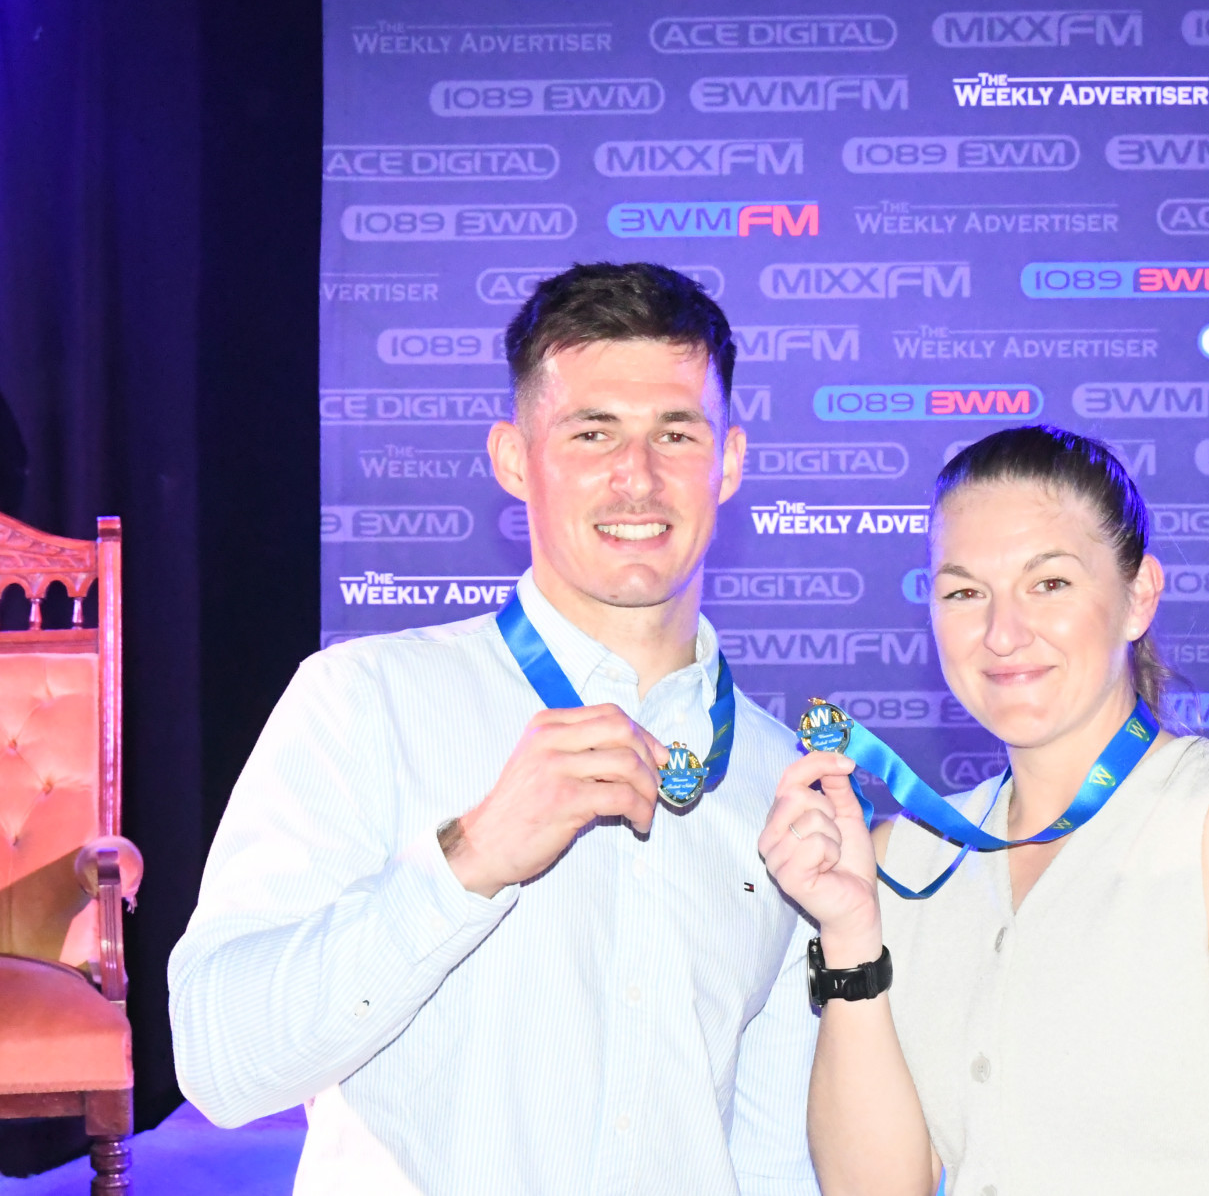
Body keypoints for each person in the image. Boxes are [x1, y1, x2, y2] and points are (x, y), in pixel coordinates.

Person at [170, 264, 819, 1196]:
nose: (636, 475)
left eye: (676, 433)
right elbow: (221, 1060)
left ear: (732, 462)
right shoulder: (364, 700)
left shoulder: (774, 776)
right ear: (514, 458)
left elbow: (768, 1155)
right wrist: (466, 860)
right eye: (592, 431)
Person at [759, 426, 1209, 1196]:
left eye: (1048, 583)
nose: (1002, 632)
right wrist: (850, 937)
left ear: (1138, 597)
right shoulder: (902, 858)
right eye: (963, 592)